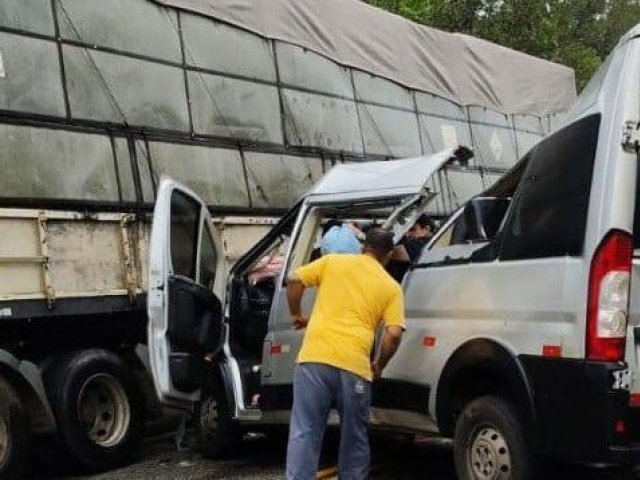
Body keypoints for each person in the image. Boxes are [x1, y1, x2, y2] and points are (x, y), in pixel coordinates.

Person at [285, 228, 405, 480]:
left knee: (304, 431)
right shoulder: (391, 287)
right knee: (354, 437)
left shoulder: (333, 262)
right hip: (355, 368)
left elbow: (295, 279)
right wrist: (379, 364)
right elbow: (393, 334)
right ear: (389, 255)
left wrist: (296, 313)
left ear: (364, 247)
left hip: (314, 360)